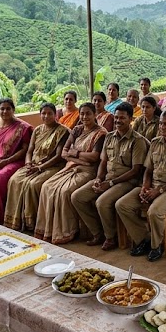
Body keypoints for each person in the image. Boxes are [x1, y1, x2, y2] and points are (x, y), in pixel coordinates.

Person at [116, 110, 166, 261]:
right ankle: (143, 239)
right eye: (160, 123)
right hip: (153, 186)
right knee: (122, 205)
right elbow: (148, 169)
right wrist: (145, 186)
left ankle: (156, 245)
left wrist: (159, 190)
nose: (161, 127)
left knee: (154, 211)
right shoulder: (155, 142)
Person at [72, 102, 147, 251]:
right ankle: (97, 232)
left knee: (102, 202)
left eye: (122, 118)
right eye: (117, 118)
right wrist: (99, 179)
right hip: (107, 178)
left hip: (127, 181)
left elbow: (136, 170)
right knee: (77, 197)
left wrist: (111, 183)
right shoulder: (109, 137)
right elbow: (103, 161)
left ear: (131, 119)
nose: (118, 121)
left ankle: (110, 237)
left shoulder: (137, 140)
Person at [34, 103, 107, 244]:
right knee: (47, 186)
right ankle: (49, 230)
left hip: (89, 171)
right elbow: (64, 152)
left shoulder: (100, 133)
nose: (85, 116)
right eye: (82, 113)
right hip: (70, 167)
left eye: (88, 113)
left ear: (94, 115)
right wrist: (79, 158)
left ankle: (68, 231)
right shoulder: (77, 130)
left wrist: (76, 153)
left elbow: (94, 157)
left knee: (64, 192)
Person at [2, 103, 70, 231]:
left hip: (53, 166)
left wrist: (40, 168)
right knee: (14, 180)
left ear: (55, 115)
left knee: (33, 185)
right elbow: (29, 150)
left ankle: (33, 222)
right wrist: (28, 163)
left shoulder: (63, 131)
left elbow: (58, 156)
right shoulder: (38, 130)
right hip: (33, 164)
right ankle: (15, 220)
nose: (46, 116)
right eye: (43, 113)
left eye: (50, 113)